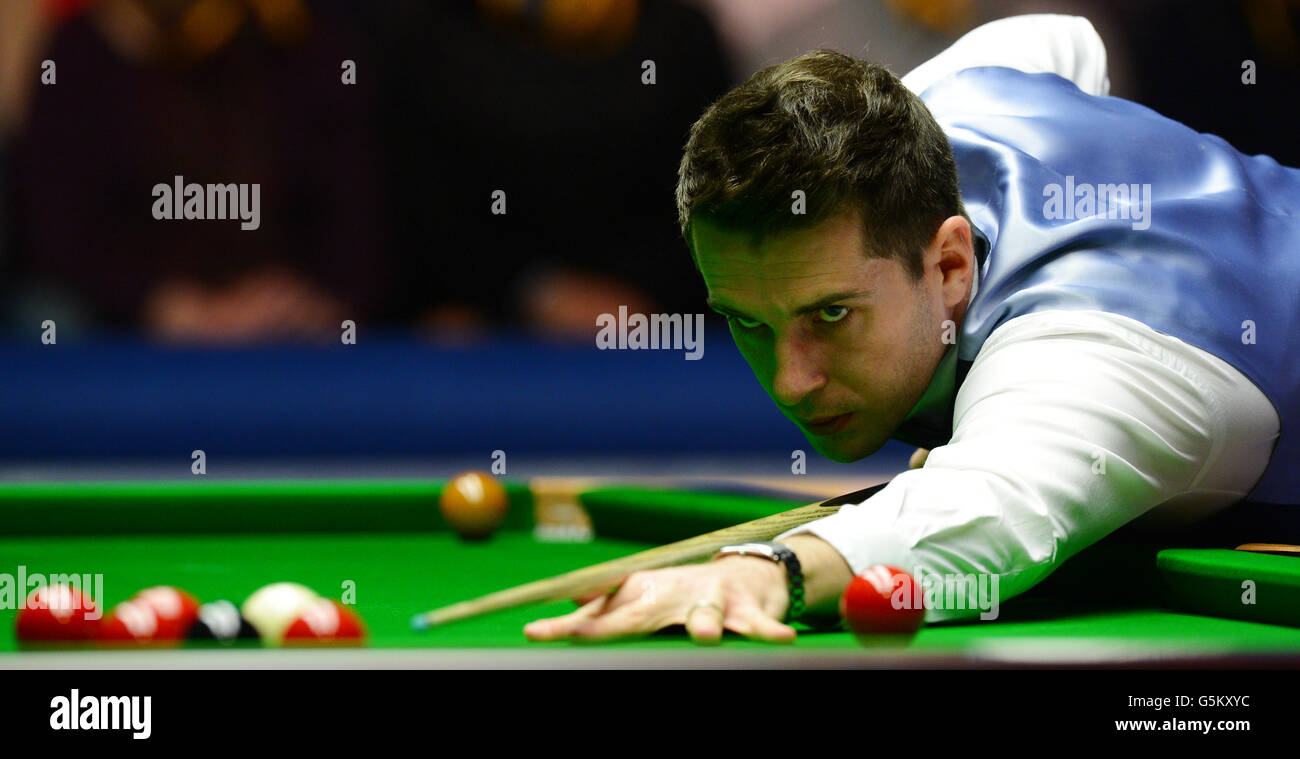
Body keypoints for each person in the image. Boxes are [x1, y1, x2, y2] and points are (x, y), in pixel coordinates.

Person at [524, 14, 1298, 644]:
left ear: (952, 265)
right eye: (748, 324)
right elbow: (1064, 39)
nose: (793, 380)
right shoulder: (941, 108)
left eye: (832, 314)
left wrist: (771, 571)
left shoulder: (1092, 362)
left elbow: (993, 508)